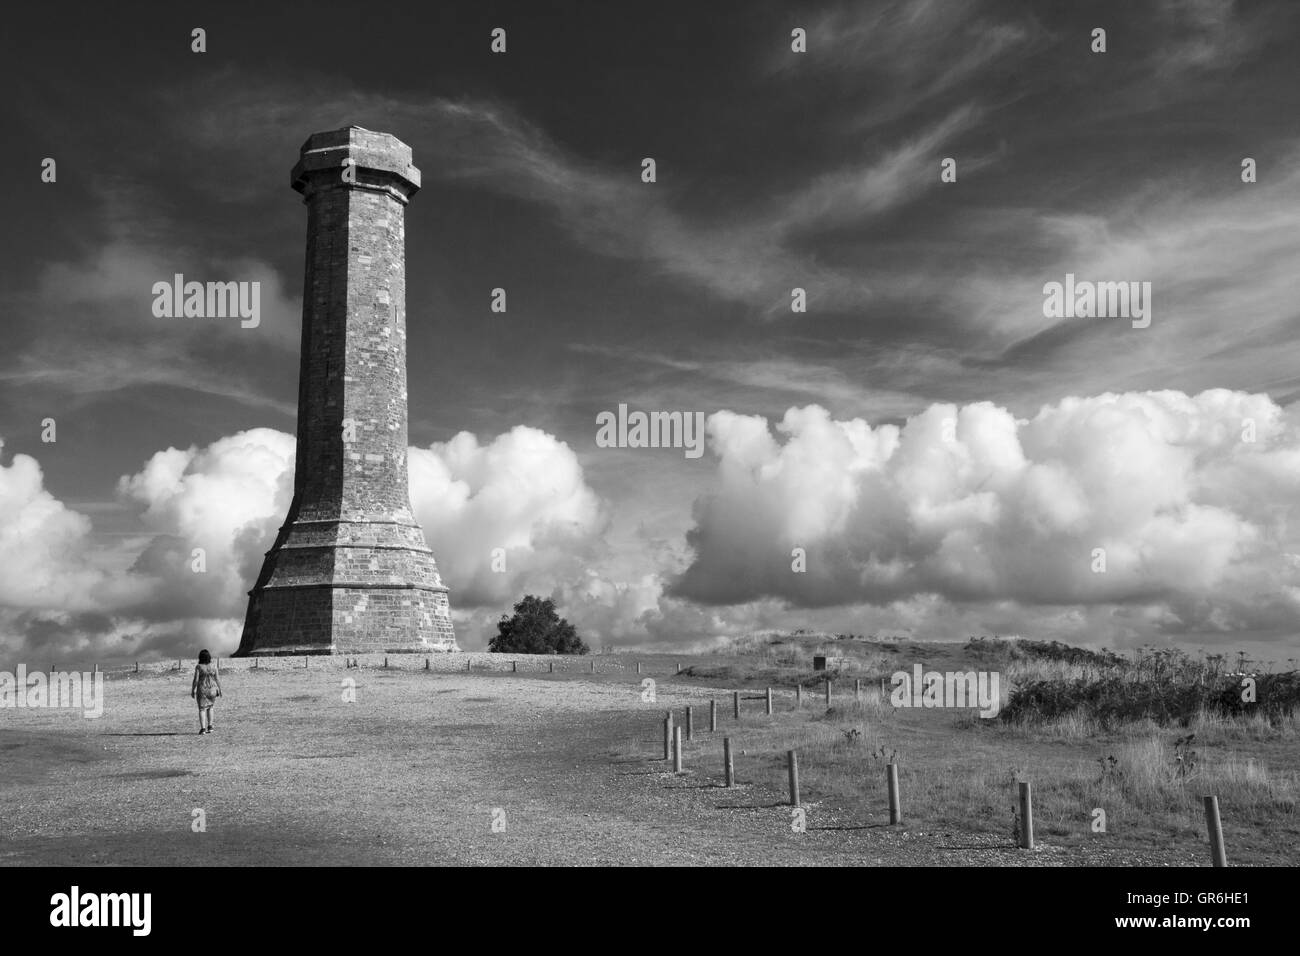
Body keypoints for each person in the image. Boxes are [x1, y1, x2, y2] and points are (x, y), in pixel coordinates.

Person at [190, 649, 222, 735]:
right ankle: (210, 727)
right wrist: (220, 689)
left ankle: (203, 729)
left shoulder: (199, 667)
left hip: (202, 690)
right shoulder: (214, 666)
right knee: (211, 707)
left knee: (202, 709)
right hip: (213, 690)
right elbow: (217, 679)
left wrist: (193, 689)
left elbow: (196, 680)